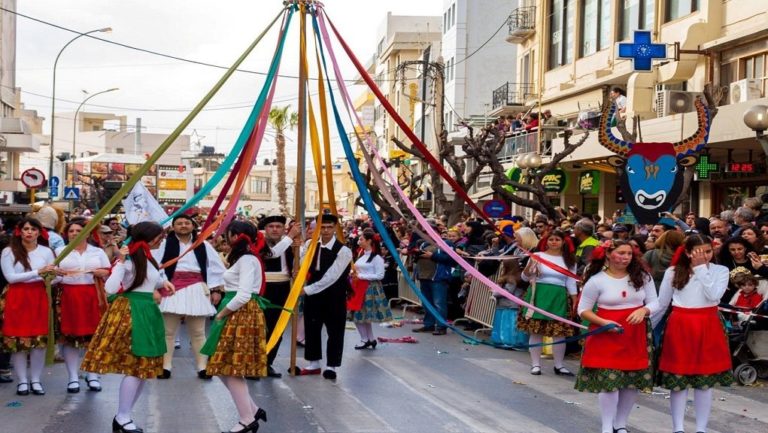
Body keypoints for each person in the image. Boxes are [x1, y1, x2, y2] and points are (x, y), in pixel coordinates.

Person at [81, 221, 174, 433]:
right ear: (150, 238)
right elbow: (111, 288)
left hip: (147, 311)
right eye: (160, 236)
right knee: (136, 366)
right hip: (132, 312)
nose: (162, 239)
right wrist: (120, 262)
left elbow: (149, 281)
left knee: (141, 368)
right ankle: (122, 417)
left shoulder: (147, 258)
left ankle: (124, 416)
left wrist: (163, 283)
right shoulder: (129, 259)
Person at [575, 239, 658, 433]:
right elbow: (583, 310)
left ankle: (620, 424)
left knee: (630, 381)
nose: (626, 257)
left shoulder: (642, 277)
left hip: (634, 333)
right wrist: (605, 323)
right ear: (608, 254)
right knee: (609, 383)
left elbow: (655, 302)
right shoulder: (596, 280)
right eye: (621, 253)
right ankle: (606, 426)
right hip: (606, 334)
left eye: (629, 254)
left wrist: (644, 310)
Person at [652, 235, 733, 433]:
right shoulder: (673, 271)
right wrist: (646, 325)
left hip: (708, 324)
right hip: (681, 324)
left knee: (704, 382)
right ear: (687, 253)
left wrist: (700, 269)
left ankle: (701, 428)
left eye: (708, 251)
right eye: (698, 252)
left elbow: (714, 296)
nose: (704, 256)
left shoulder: (721, 271)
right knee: (678, 379)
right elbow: (662, 304)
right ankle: (678, 427)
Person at [200, 220, 268, 433]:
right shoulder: (245, 257)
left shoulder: (247, 258)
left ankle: (247, 419)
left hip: (240, 313)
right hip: (237, 312)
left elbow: (245, 295)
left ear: (235, 236)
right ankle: (252, 410)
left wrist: (222, 312)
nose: (224, 239)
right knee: (221, 366)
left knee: (231, 369)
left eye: (228, 235)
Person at [153, 214, 226, 380]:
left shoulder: (203, 245)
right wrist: (160, 284)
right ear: (173, 227)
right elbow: (155, 266)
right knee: (168, 332)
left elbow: (216, 267)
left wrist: (215, 289)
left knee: (198, 332)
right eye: (179, 223)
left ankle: (202, 367)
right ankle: (165, 366)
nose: (184, 225)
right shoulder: (164, 244)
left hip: (196, 288)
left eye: (187, 223)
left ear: (193, 226)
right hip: (171, 287)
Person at [1, 217, 61, 396]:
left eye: (33, 229)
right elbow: (10, 277)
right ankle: (22, 381)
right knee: (19, 342)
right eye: (26, 228)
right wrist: (38, 272)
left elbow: (55, 277)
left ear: (39, 232)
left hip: (39, 297)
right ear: (20, 231)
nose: (29, 232)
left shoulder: (47, 252)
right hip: (16, 297)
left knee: (38, 343)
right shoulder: (8, 252)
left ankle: (35, 379)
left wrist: (56, 275)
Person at [55, 218, 111, 393]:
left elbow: (109, 273)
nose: (74, 234)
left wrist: (102, 273)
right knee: (70, 338)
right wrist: (56, 273)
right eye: (71, 231)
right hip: (68, 296)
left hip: (93, 295)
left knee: (93, 338)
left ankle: (92, 374)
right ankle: (72, 377)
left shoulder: (98, 252)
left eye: (78, 231)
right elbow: (52, 278)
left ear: (87, 233)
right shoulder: (60, 251)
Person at [297, 214, 353, 380]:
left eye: (329, 227)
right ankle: (313, 362)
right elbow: (303, 265)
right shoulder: (310, 245)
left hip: (334, 293)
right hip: (313, 292)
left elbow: (332, 276)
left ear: (335, 228)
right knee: (312, 326)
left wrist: (308, 290)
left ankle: (332, 365)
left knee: (334, 329)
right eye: (323, 227)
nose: (326, 230)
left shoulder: (344, 251)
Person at [517, 229, 578, 376]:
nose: (554, 242)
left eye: (557, 239)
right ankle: (535, 365)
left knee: (559, 332)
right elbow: (524, 278)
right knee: (536, 330)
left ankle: (559, 365)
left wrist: (575, 300)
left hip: (559, 297)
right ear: (546, 241)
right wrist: (529, 268)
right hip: (539, 294)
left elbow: (571, 281)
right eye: (551, 239)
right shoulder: (537, 256)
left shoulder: (569, 259)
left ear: (563, 242)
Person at [259, 213, 301, 378]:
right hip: (262, 288)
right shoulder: (259, 242)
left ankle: (268, 363)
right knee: (260, 328)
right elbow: (272, 254)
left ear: (283, 228)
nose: (275, 229)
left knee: (278, 327)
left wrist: (299, 249)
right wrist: (290, 237)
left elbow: (301, 261)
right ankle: (254, 363)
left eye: (278, 227)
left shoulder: (289, 243)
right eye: (271, 226)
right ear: (265, 229)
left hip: (283, 287)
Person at [348, 228, 392, 349]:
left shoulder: (377, 258)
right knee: (362, 316)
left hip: (368, 288)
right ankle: (370, 339)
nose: (359, 241)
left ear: (369, 241)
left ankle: (364, 339)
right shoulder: (362, 254)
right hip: (358, 287)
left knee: (359, 315)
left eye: (361, 239)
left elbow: (380, 275)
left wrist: (360, 276)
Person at [491, 259, 528, 348]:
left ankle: (509, 341)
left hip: (509, 305)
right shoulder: (513, 277)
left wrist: (494, 292)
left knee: (508, 325)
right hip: (506, 304)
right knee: (507, 324)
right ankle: (505, 341)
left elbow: (508, 291)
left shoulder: (511, 278)